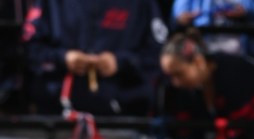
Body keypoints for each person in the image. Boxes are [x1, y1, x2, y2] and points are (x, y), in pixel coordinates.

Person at [23, 0, 168, 116]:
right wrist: (63, 58)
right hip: (57, 114)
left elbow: (161, 55)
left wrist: (120, 62)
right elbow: (28, 48)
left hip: (125, 115)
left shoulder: (142, 4)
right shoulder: (53, 3)